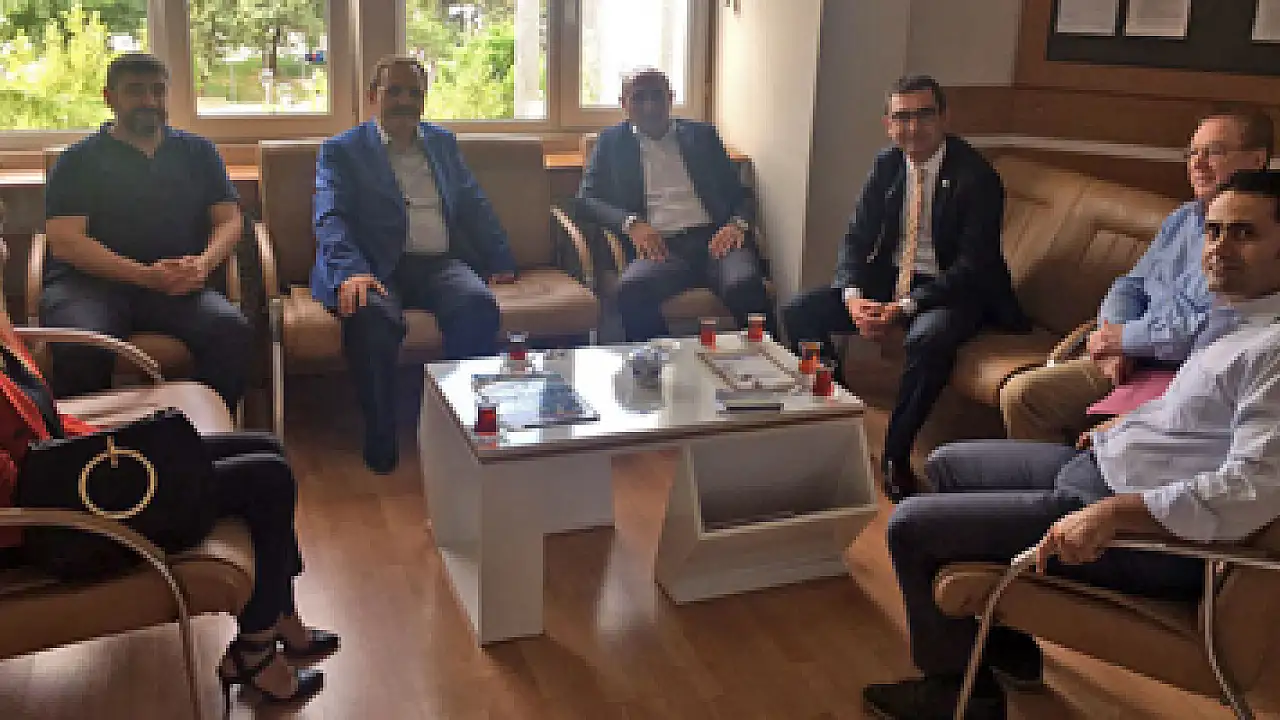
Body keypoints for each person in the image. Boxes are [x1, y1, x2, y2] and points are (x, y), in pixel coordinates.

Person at [862, 168, 1280, 720]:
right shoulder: (1235, 318)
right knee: (946, 466)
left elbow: (1252, 489)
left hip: (1145, 532)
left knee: (910, 526)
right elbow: (1200, 417)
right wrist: (1128, 424)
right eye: (1214, 230)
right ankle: (999, 643)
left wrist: (1114, 514)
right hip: (1107, 468)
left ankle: (956, 694)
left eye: (1244, 233)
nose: (1220, 247)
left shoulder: (1272, 351)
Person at [0, 298, 338, 713]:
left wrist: (107, 444)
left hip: (63, 476)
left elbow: (42, 421)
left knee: (266, 449)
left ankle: (279, 612)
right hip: (43, 522)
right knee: (267, 479)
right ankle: (256, 654)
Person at [783, 75, 1027, 502]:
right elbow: (856, 239)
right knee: (799, 311)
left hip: (953, 288)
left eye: (924, 115)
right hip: (894, 275)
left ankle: (896, 456)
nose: (913, 128)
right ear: (888, 125)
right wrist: (853, 296)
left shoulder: (977, 177)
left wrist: (906, 306)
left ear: (944, 118)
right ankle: (833, 414)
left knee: (927, 339)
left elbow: (974, 266)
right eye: (902, 117)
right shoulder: (887, 165)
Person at [1000, 108, 1273, 443]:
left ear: (1256, 160)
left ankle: (1075, 475)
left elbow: (1206, 328)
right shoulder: (1182, 219)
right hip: (1132, 355)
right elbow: (1129, 286)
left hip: (1185, 373)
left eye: (1213, 152)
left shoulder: (1256, 244)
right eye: (1192, 153)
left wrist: (1126, 338)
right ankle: (1046, 473)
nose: (1198, 163)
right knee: (1025, 396)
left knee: (1056, 412)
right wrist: (1115, 340)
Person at [312, 55, 515, 473]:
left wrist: (499, 255)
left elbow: (473, 202)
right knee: (370, 317)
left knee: (477, 305)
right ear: (373, 96)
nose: (405, 101)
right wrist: (351, 271)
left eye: (414, 93)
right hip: (374, 266)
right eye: (394, 91)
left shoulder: (442, 143)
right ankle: (381, 434)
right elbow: (330, 216)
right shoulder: (341, 150)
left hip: (439, 262)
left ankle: (460, 425)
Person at [42, 53, 251, 409]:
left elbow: (229, 221)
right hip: (90, 288)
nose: (149, 101)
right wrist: (144, 276)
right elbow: (66, 241)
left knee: (230, 331)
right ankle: (93, 441)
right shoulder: (77, 160)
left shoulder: (199, 152)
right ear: (109, 98)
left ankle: (199, 434)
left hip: (177, 287)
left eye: (158, 91)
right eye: (135, 91)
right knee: (80, 346)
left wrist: (202, 265)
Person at [577, 68, 773, 342]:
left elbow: (740, 194)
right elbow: (586, 200)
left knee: (745, 285)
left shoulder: (702, 136)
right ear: (623, 104)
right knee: (632, 290)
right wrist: (631, 223)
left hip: (715, 239)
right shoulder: (611, 142)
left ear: (671, 98)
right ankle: (664, 360)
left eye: (657, 96)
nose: (650, 106)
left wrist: (736, 224)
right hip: (662, 248)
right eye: (639, 97)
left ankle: (770, 361)